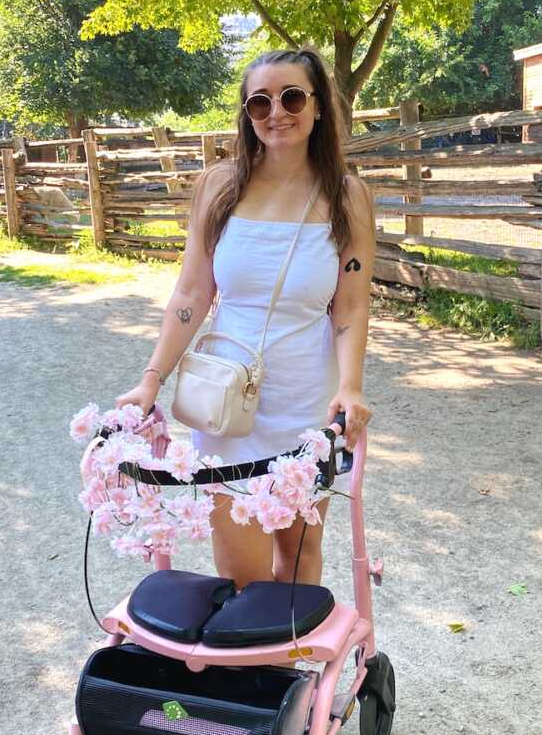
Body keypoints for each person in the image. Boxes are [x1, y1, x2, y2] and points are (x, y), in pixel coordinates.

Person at [116, 47, 375, 588]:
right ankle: (254, 668)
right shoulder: (219, 187)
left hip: (305, 397)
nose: (276, 112)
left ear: (319, 106)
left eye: (292, 97)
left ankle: (291, 669)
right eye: (260, 102)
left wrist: (349, 388)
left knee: (300, 554)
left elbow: (350, 305)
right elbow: (191, 292)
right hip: (227, 400)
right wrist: (150, 381)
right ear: (246, 114)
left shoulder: (347, 196)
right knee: (239, 568)